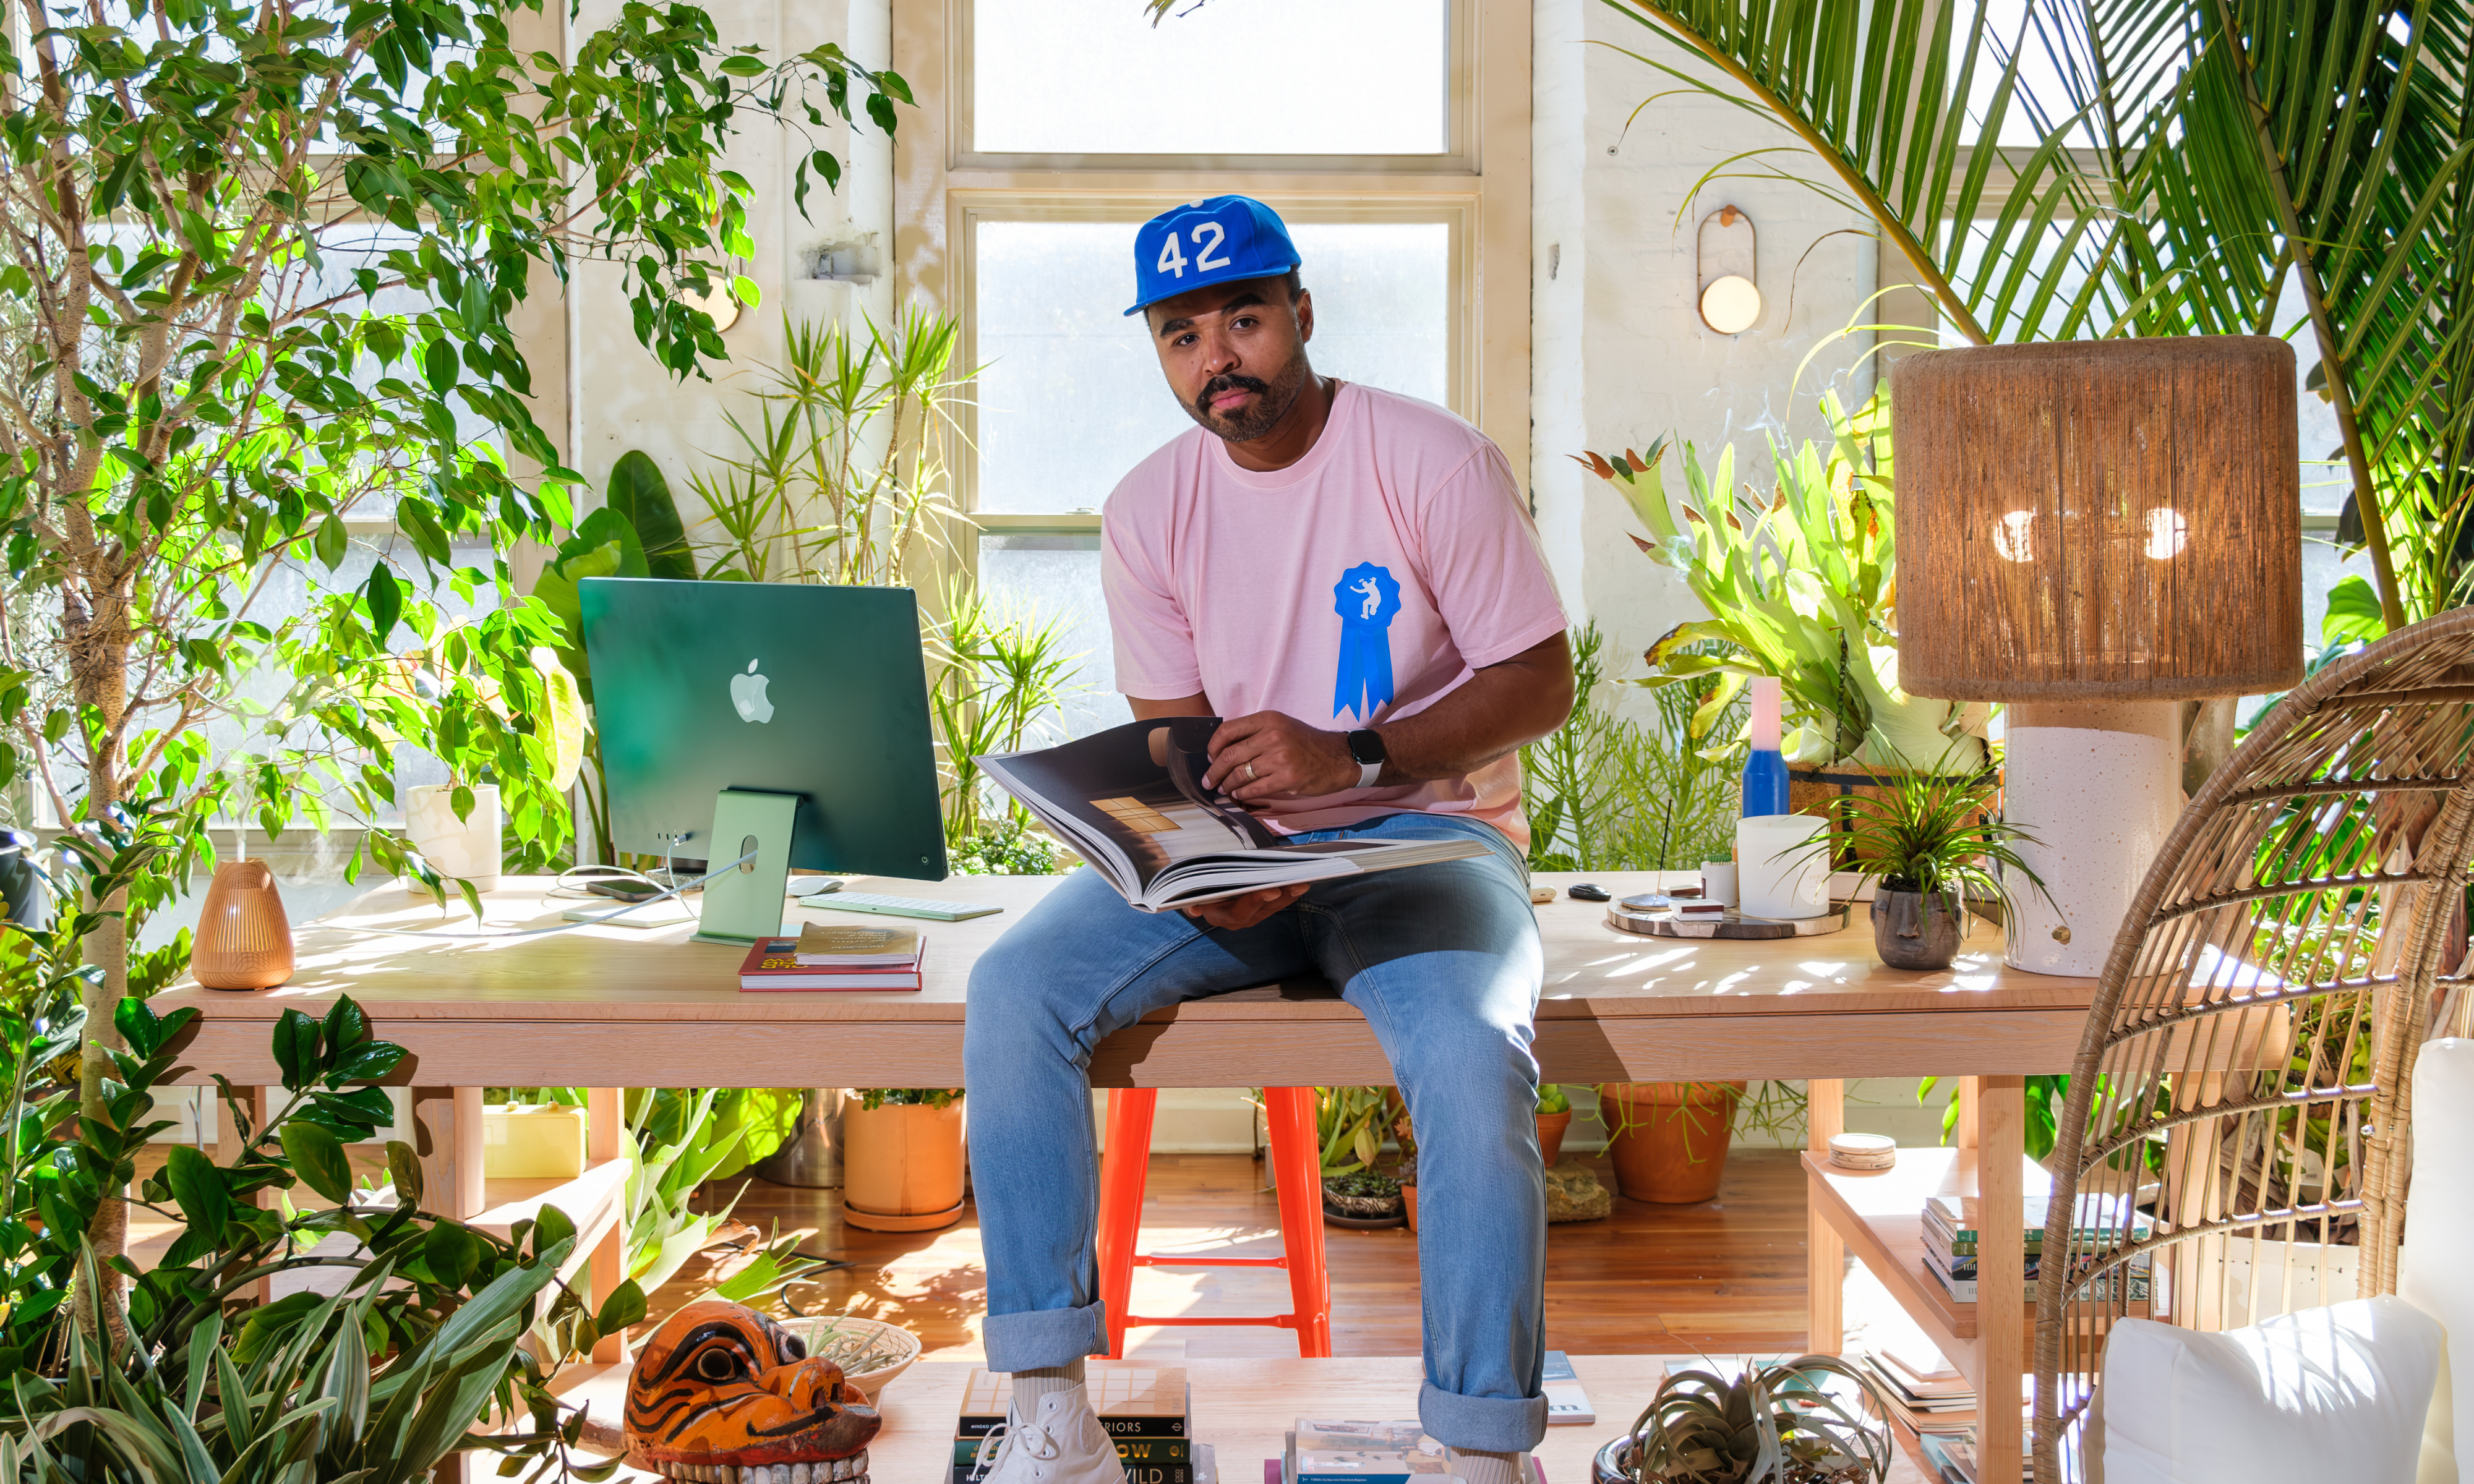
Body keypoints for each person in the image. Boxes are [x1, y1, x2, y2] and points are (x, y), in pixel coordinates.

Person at [964, 195, 1575, 1484]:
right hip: (1254, 863)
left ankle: (1476, 1452)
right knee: (1014, 988)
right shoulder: (1147, 509)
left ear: (1299, 313)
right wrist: (1201, 863)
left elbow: (1538, 680)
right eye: (1181, 335)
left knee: (1471, 1062)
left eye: (1241, 318)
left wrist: (1353, 754)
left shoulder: (1429, 461)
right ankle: (1048, 1413)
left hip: (1425, 844)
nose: (1215, 358)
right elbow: (1174, 744)